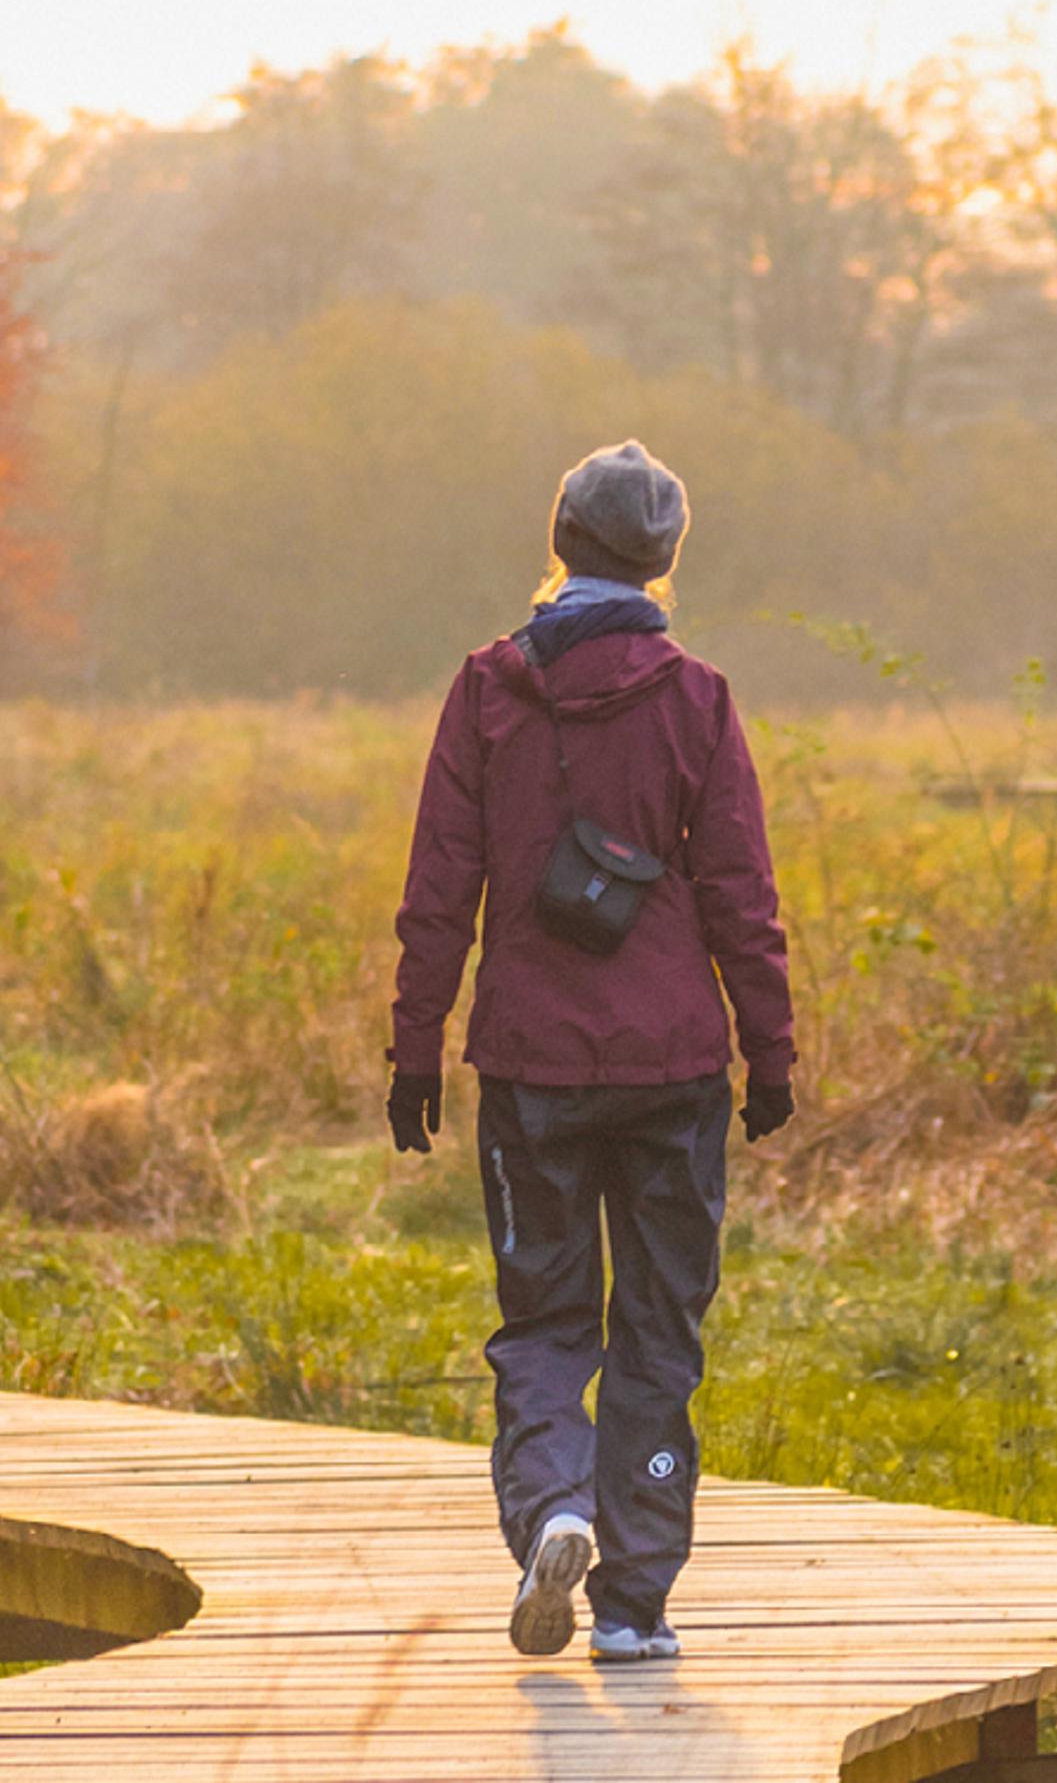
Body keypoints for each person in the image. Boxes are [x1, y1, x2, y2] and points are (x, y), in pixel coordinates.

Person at [386, 439, 797, 1666]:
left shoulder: (484, 688)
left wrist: (416, 1047)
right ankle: (632, 1605)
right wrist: (767, 1053)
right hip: (673, 1065)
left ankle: (553, 1507)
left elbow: (437, 885)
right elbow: (739, 890)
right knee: (659, 1330)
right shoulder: (697, 697)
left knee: (545, 1323)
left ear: (560, 541)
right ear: (664, 557)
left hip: (529, 1063)